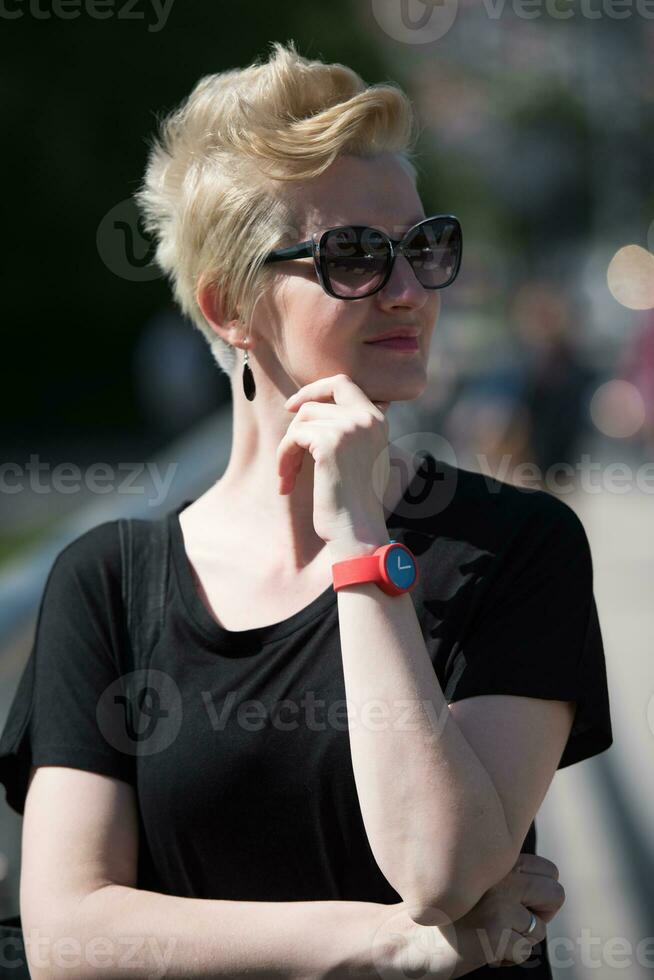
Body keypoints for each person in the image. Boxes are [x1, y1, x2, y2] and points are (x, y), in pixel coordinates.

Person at [0, 41, 612, 978]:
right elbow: (66, 937)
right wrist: (388, 947)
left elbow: (444, 871)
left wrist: (360, 541)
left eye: (425, 246)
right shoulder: (110, 585)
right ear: (229, 305)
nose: (411, 290)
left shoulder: (517, 547)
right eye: (356, 257)